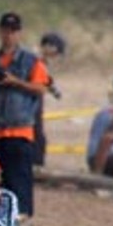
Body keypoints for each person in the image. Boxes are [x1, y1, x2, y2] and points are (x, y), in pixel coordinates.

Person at [0, 11, 50, 218]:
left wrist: (15, 81)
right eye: (6, 31)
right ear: (0, 32)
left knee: (20, 178)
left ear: (19, 33)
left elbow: (41, 88)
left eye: (13, 31)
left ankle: (22, 218)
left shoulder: (31, 61)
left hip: (20, 131)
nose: (9, 35)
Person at [33, 31, 67, 168]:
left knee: (38, 137)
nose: (56, 56)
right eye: (57, 52)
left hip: (36, 103)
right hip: (30, 103)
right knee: (37, 138)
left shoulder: (40, 61)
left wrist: (54, 90)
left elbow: (47, 80)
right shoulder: (34, 59)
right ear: (49, 47)